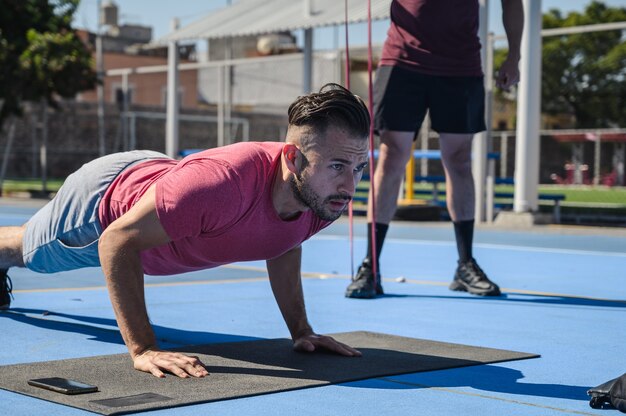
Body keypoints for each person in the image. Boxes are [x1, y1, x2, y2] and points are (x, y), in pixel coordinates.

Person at [0, 83, 370, 378]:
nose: (351, 185)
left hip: (163, 182)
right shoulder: (224, 185)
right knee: (26, 252)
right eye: (338, 165)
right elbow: (116, 240)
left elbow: (286, 241)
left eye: (359, 167)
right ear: (292, 157)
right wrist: (144, 349)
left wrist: (301, 331)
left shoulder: (323, 194)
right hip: (104, 203)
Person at [345, 0, 524, 299]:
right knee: (392, 156)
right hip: (402, 61)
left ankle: (465, 264)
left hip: (460, 66)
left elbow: (512, 3)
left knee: (460, 160)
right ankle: (370, 266)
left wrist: (514, 56)